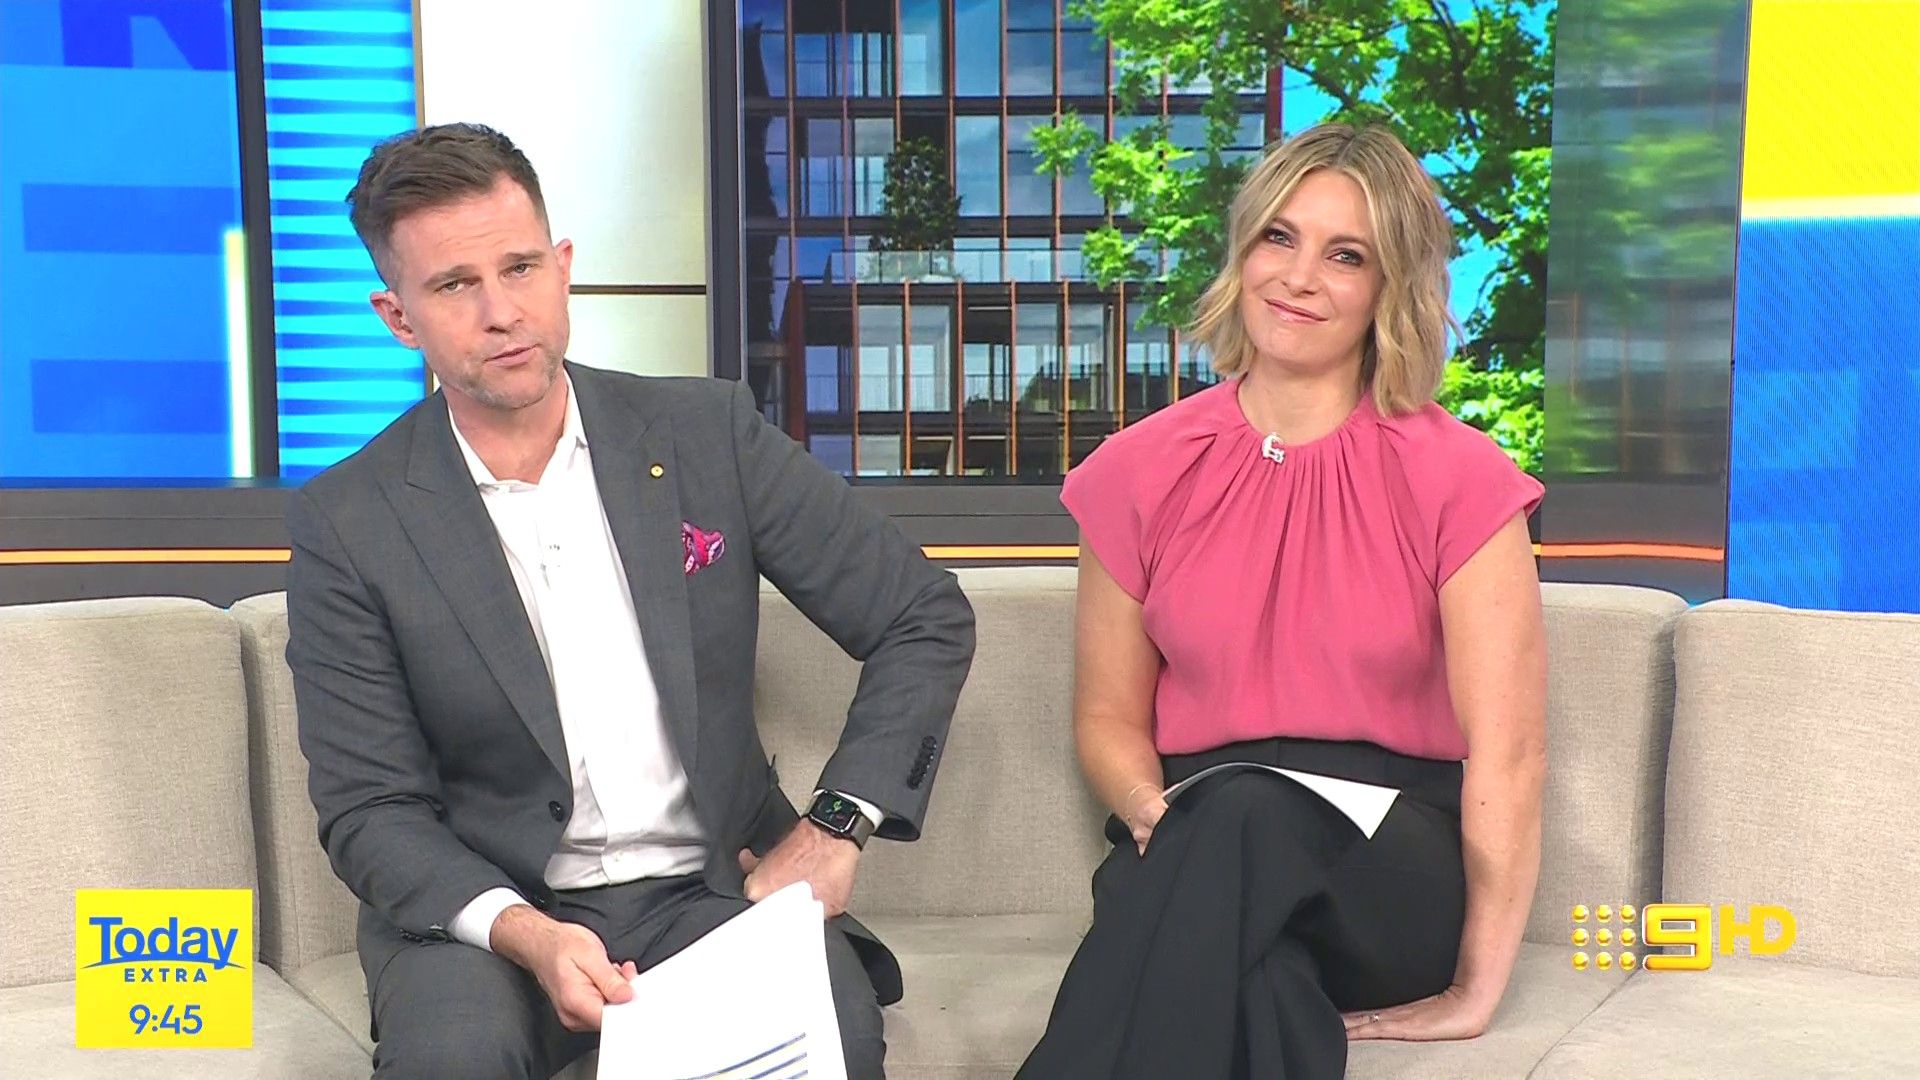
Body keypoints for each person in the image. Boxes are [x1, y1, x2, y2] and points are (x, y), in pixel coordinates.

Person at [285, 122, 975, 1080]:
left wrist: (835, 825)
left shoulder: (705, 433)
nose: (501, 312)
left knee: (830, 1041)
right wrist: (527, 934)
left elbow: (920, 614)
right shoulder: (350, 519)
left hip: (711, 893)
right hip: (493, 919)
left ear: (563, 267)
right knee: (452, 1062)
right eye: (454, 286)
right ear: (399, 317)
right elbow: (371, 809)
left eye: (521, 267)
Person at [1016, 123, 1548, 1079]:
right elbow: (1106, 718)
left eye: (1346, 256)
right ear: (1243, 249)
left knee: (1240, 819)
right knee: (1257, 980)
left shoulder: (1458, 478)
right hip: (1195, 837)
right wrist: (1149, 811)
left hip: (1388, 864)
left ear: (1389, 289)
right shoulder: (1137, 473)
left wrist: (1476, 987)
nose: (1300, 278)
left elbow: (1509, 754)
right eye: (1280, 238)